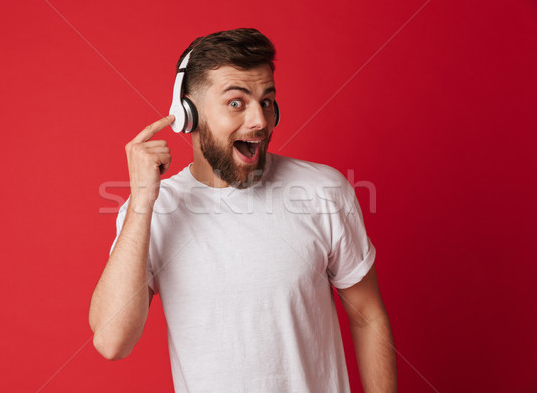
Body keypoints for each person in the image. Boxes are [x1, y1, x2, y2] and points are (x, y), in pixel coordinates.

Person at [89, 28, 397, 392]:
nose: (260, 122)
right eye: (237, 102)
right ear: (188, 113)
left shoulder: (323, 191)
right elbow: (112, 342)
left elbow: (367, 317)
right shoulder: (153, 211)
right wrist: (142, 202)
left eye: (266, 101)